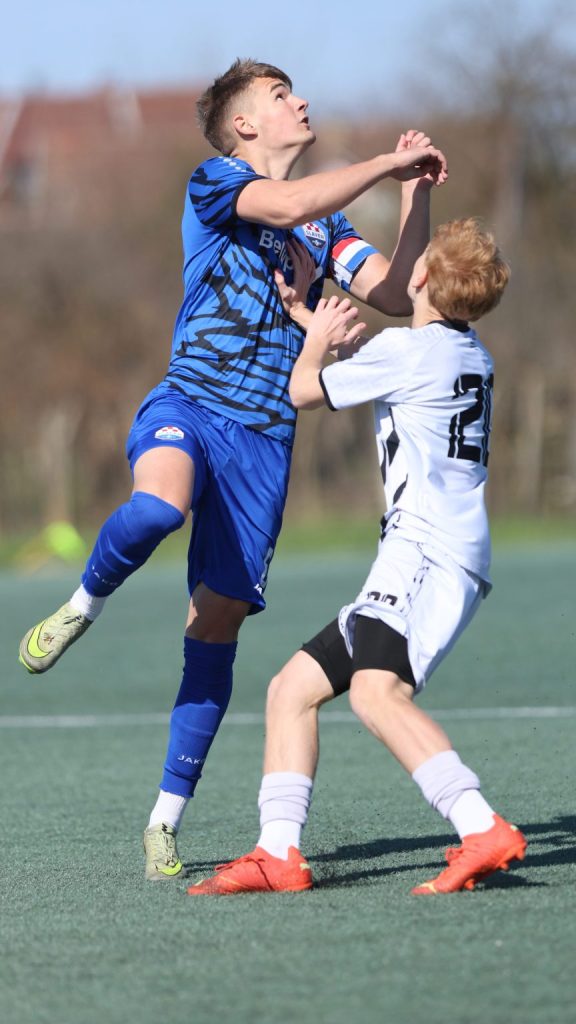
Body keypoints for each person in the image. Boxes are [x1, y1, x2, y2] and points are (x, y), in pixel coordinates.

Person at [17, 58, 447, 882]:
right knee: (158, 509)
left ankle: (164, 821)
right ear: (245, 124)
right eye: (282, 96)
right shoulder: (217, 180)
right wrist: (386, 161)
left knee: (214, 627)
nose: (302, 101)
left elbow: (395, 294)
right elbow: (286, 204)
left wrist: (415, 193)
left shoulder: (326, 227)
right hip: (191, 401)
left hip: (264, 442)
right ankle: (81, 606)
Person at [188, 217, 528, 898]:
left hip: (427, 552)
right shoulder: (468, 352)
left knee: (377, 693)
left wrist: (313, 341)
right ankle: (278, 853)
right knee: (292, 690)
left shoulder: (410, 352)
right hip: (432, 550)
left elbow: (304, 391)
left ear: (420, 277)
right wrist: (305, 314)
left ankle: (481, 826)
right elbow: (395, 365)